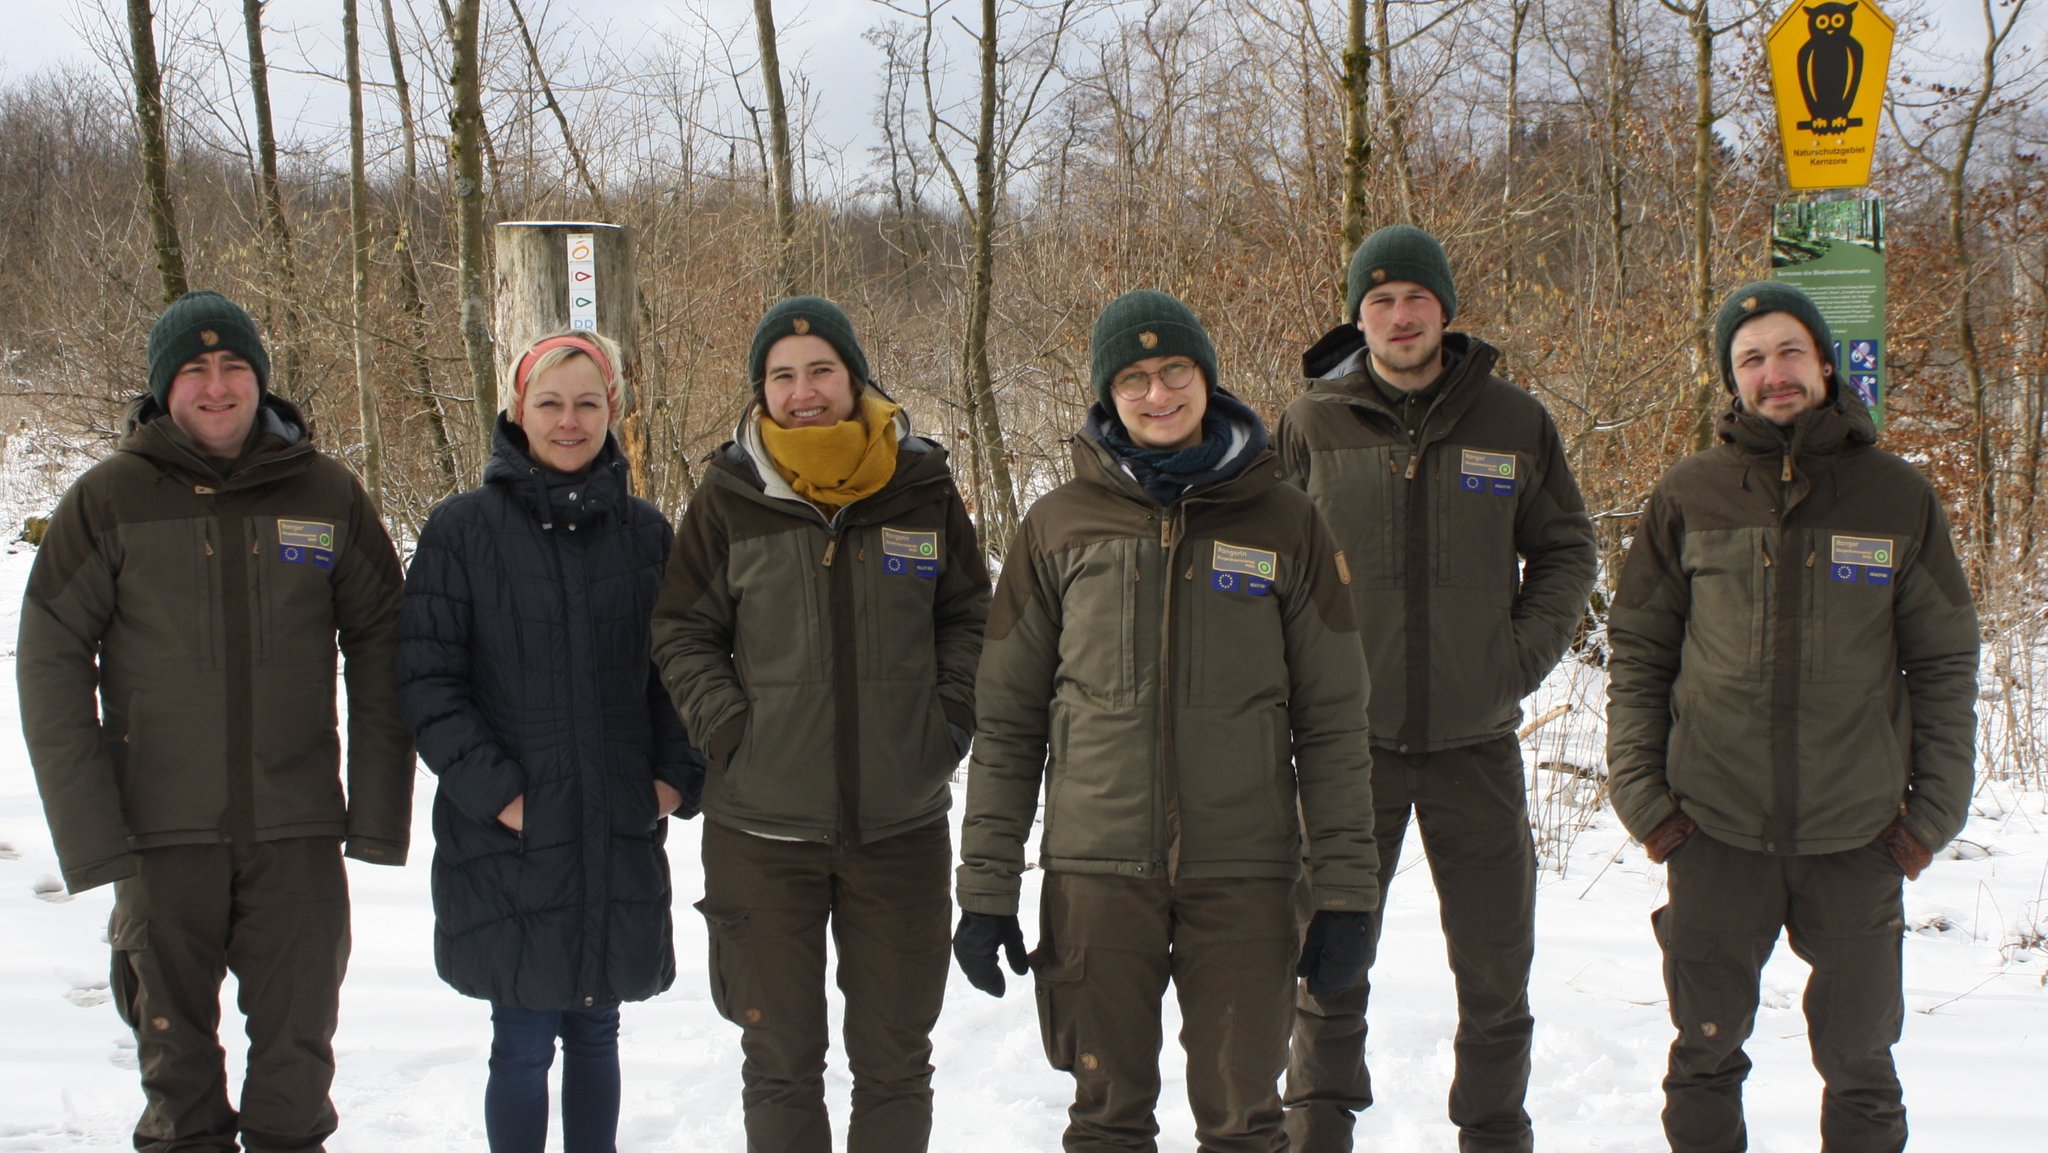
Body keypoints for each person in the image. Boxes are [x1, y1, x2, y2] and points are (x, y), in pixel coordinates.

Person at [956, 289, 1379, 1152]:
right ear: (1107, 394)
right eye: (1135, 378)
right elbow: (1006, 725)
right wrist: (986, 887)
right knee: (1106, 1121)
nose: (1158, 394)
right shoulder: (1056, 528)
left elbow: (1334, 722)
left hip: (1247, 878)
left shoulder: (1285, 521)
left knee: (1246, 1123)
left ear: (1206, 378)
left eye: (1175, 370)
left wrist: (1342, 891)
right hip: (1096, 879)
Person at [17, 289, 414, 1152]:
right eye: (194, 369)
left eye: (234, 366)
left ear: (260, 380)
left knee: (296, 1067)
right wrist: (91, 834)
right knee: (176, 1072)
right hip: (162, 833)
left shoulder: (326, 493)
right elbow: (49, 661)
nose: (217, 385)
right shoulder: (110, 500)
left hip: (295, 828)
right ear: (165, 388)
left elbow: (386, 648)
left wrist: (377, 814)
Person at [1607, 281, 1979, 1153]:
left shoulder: (1896, 498)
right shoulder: (1689, 495)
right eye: (1750, 359)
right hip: (1714, 831)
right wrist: (1645, 801)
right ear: (1731, 381)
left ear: (1822, 363)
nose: (1772, 373)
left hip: (1857, 837)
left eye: (1787, 352)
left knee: (1861, 1062)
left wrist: (1931, 815)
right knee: (1703, 1053)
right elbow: (1639, 653)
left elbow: (1945, 660)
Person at [1276, 225, 1597, 1153]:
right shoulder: (1310, 425)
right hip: (1346, 749)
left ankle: (1494, 1131)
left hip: (1475, 745)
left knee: (1497, 967)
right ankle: (1317, 1129)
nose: (1400, 315)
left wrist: (1516, 658)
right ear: (1358, 316)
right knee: (1326, 956)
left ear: (1446, 310)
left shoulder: (1513, 421)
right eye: (1379, 301)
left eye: (1416, 298)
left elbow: (1568, 547)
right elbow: (1268, 566)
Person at [651, 296, 990, 1152]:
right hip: (761, 832)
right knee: (779, 1060)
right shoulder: (730, 492)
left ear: (854, 376)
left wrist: (945, 717)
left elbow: (974, 615)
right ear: (762, 389)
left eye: (821, 371)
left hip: (901, 826)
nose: (805, 393)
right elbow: (682, 629)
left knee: (895, 1061)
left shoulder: (921, 485)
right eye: (783, 376)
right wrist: (730, 730)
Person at [396, 330, 703, 1153]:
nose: (569, 421)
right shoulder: (462, 531)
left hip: (614, 823)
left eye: (587, 403)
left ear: (613, 411)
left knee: (597, 1030)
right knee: (524, 1039)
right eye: (550, 403)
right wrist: (502, 795)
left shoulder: (647, 534)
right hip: (510, 835)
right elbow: (428, 682)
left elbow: (681, 672)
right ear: (518, 410)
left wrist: (670, 781)